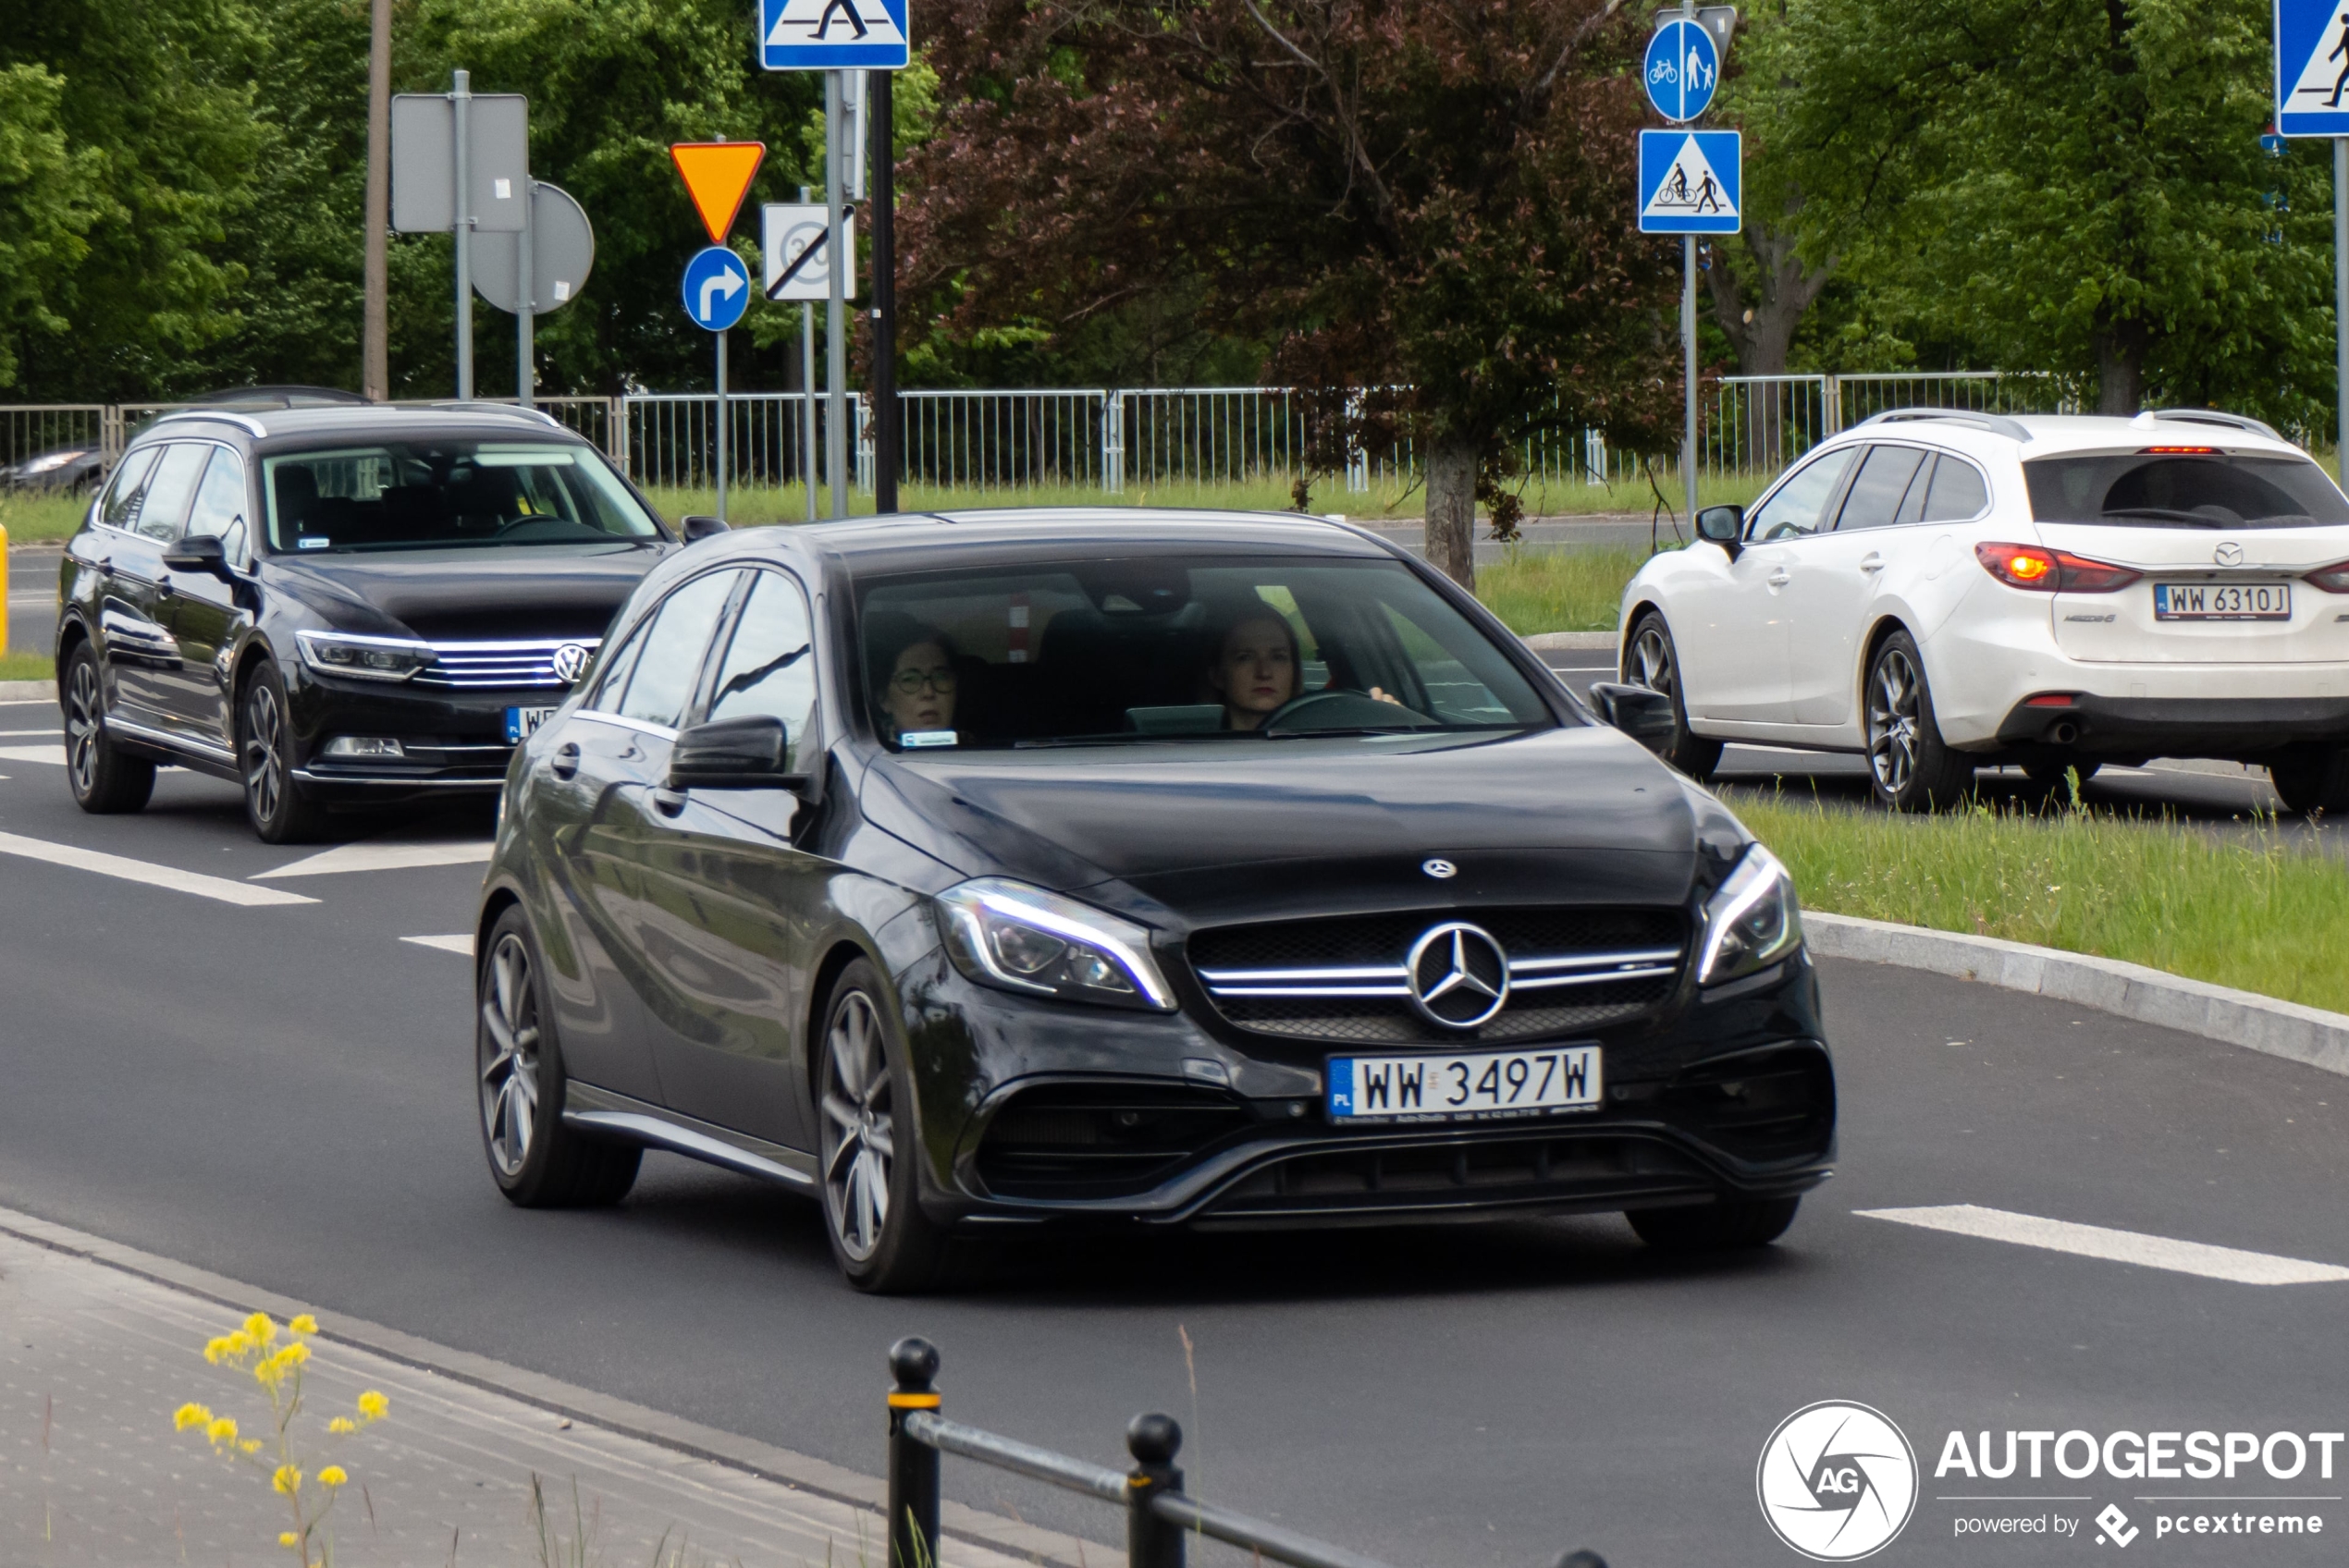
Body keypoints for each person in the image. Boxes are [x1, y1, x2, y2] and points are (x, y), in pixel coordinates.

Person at [867, 615, 958, 743]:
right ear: (884, 699)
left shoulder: (979, 752)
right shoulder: (872, 754)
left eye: (941, 677)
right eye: (910, 680)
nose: (928, 692)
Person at [1208, 611, 1302, 730]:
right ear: (1217, 675)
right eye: (1245, 658)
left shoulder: (1324, 744)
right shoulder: (1195, 748)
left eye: (1278, 657)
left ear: (1294, 671)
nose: (1264, 673)